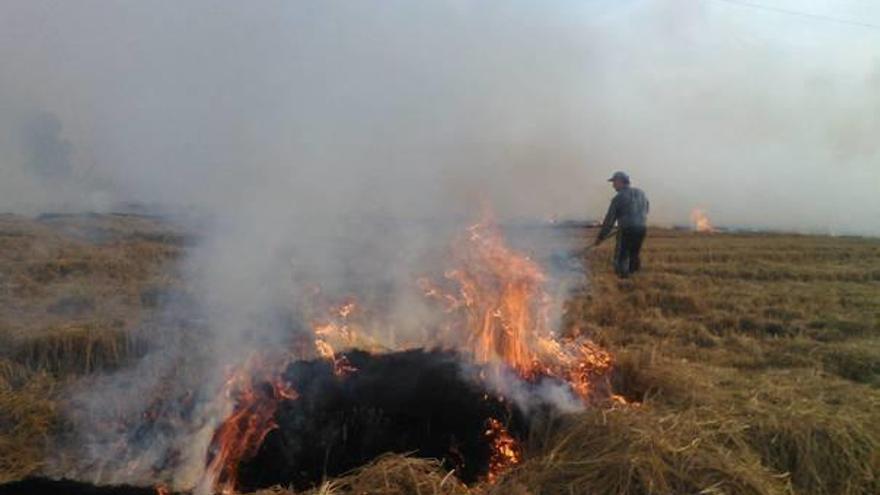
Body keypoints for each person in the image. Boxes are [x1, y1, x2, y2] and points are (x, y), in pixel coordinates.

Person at [594, 171, 649, 278]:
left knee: (622, 256)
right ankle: (634, 278)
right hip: (641, 229)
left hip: (627, 230)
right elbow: (646, 209)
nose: (613, 185)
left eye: (614, 182)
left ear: (620, 181)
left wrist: (601, 237)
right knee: (634, 254)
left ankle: (623, 279)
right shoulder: (641, 193)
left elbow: (609, 220)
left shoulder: (618, 198)